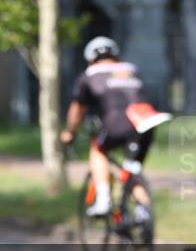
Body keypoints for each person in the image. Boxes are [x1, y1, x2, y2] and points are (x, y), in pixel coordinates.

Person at [60, 37, 171, 220]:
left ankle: (103, 201)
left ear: (90, 58)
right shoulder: (131, 69)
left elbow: (77, 111)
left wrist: (70, 133)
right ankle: (144, 216)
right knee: (132, 170)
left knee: (98, 149)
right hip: (146, 121)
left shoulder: (90, 74)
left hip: (118, 121)